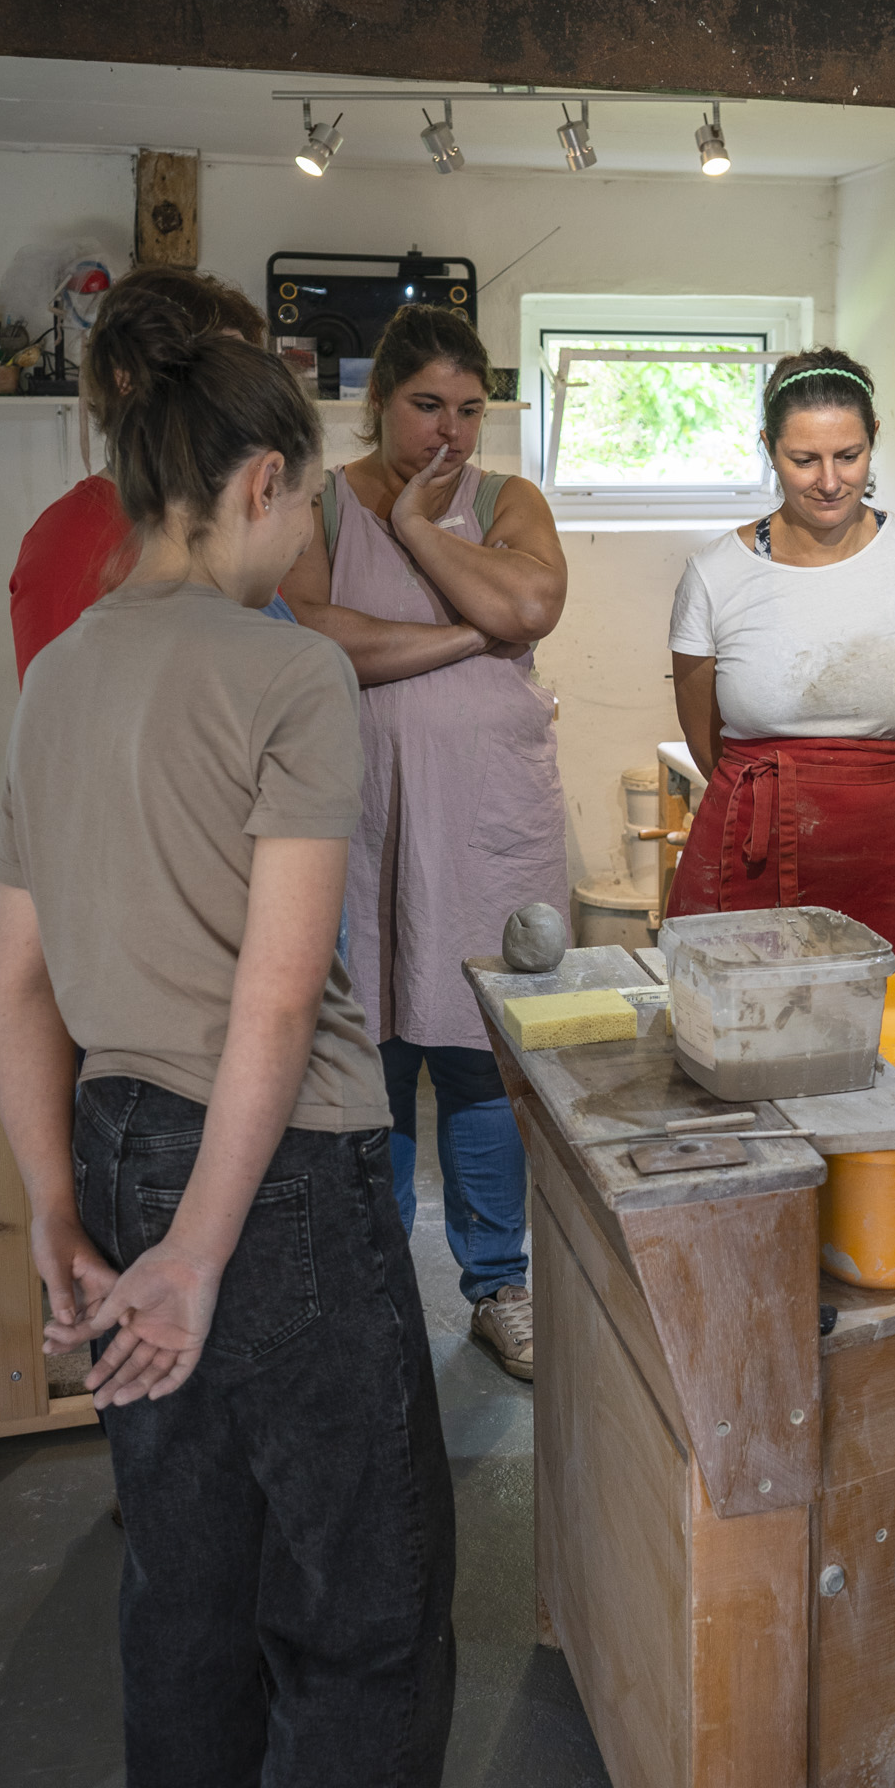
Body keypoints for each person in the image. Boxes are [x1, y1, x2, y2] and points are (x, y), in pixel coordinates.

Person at [0, 303, 456, 1788]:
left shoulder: (60, 672)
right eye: (309, 500)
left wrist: (59, 1207)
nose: (308, 532)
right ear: (259, 481)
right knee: (365, 1625)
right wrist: (197, 1244)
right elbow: (276, 1000)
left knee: (186, 1605)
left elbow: (16, 981)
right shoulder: (288, 671)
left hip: (112, 1141)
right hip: (279, 1185)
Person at [282, 303, 567, 1382]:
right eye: (426, 405)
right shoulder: (320, 502)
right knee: (374, 1046)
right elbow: (316, 637)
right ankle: (380, 1290)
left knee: (481, 1051)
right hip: (365, 818)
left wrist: (418, 529)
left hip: (488, 821)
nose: (449, 430)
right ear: (378, 401)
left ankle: (498, 1285)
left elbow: (532, 602)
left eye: (469, 409)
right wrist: (468, 632)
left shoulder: (505, 500)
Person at [666, 348, 895, 963]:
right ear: (768, 448)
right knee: (745, 1018)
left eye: (849, 455)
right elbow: (706, 742)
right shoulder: (714, 575)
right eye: (804, 460)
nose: (831, 481)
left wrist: (866, 790)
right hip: (753, 851)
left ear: (874, 440)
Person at [8, 265, 267, 680]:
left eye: (246, 379)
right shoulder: (68, 538)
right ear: (126, 381)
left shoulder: (241, 512)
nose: (242, 402)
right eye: (218, 376)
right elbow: (61, 710)